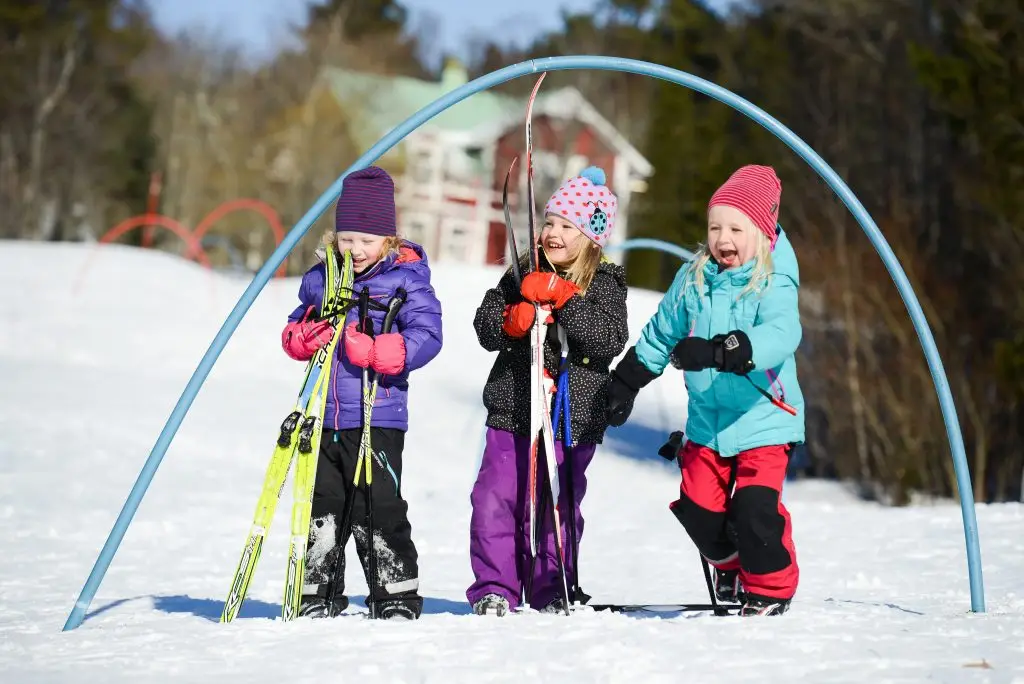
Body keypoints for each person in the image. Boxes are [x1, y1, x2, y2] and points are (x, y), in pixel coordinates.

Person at [605, 164, 804, 616]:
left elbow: (782, 333)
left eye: (736, 227)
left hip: (765, 419)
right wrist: (626, 381)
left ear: (762, 231)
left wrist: (722, 351)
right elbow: (662, 334)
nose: (723, 237)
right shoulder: (694, 278)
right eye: (716, 226)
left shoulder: (773, 280)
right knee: (699, 511)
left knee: (755, 512)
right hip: (707, 425)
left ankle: (770, 587)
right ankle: (732, 566)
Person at [280, 166, 443, 620]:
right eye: (347, 239)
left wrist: (378, 350)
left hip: (379, 416)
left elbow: (427, 336)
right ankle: (318, 592)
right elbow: (296, 327)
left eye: (366, 241)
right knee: (324, 508)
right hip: (327, 419)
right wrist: (302, 336)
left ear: (388, 241)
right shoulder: (322, 279)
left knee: (378, 505)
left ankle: (395, 594)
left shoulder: (406, 281)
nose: (355, 250)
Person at [467, 166, 629, 616]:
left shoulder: (606, 284)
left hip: (570, 419)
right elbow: (485, 325)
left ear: (591, 236)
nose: (552, 232)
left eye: (566, 225)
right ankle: (495, 587)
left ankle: (551, 585)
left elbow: (608, 339)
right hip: (514, 410)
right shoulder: (523, 272)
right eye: (550, 221)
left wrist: (564, 297)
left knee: (557, 504)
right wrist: (511, 320)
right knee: (496, 498)